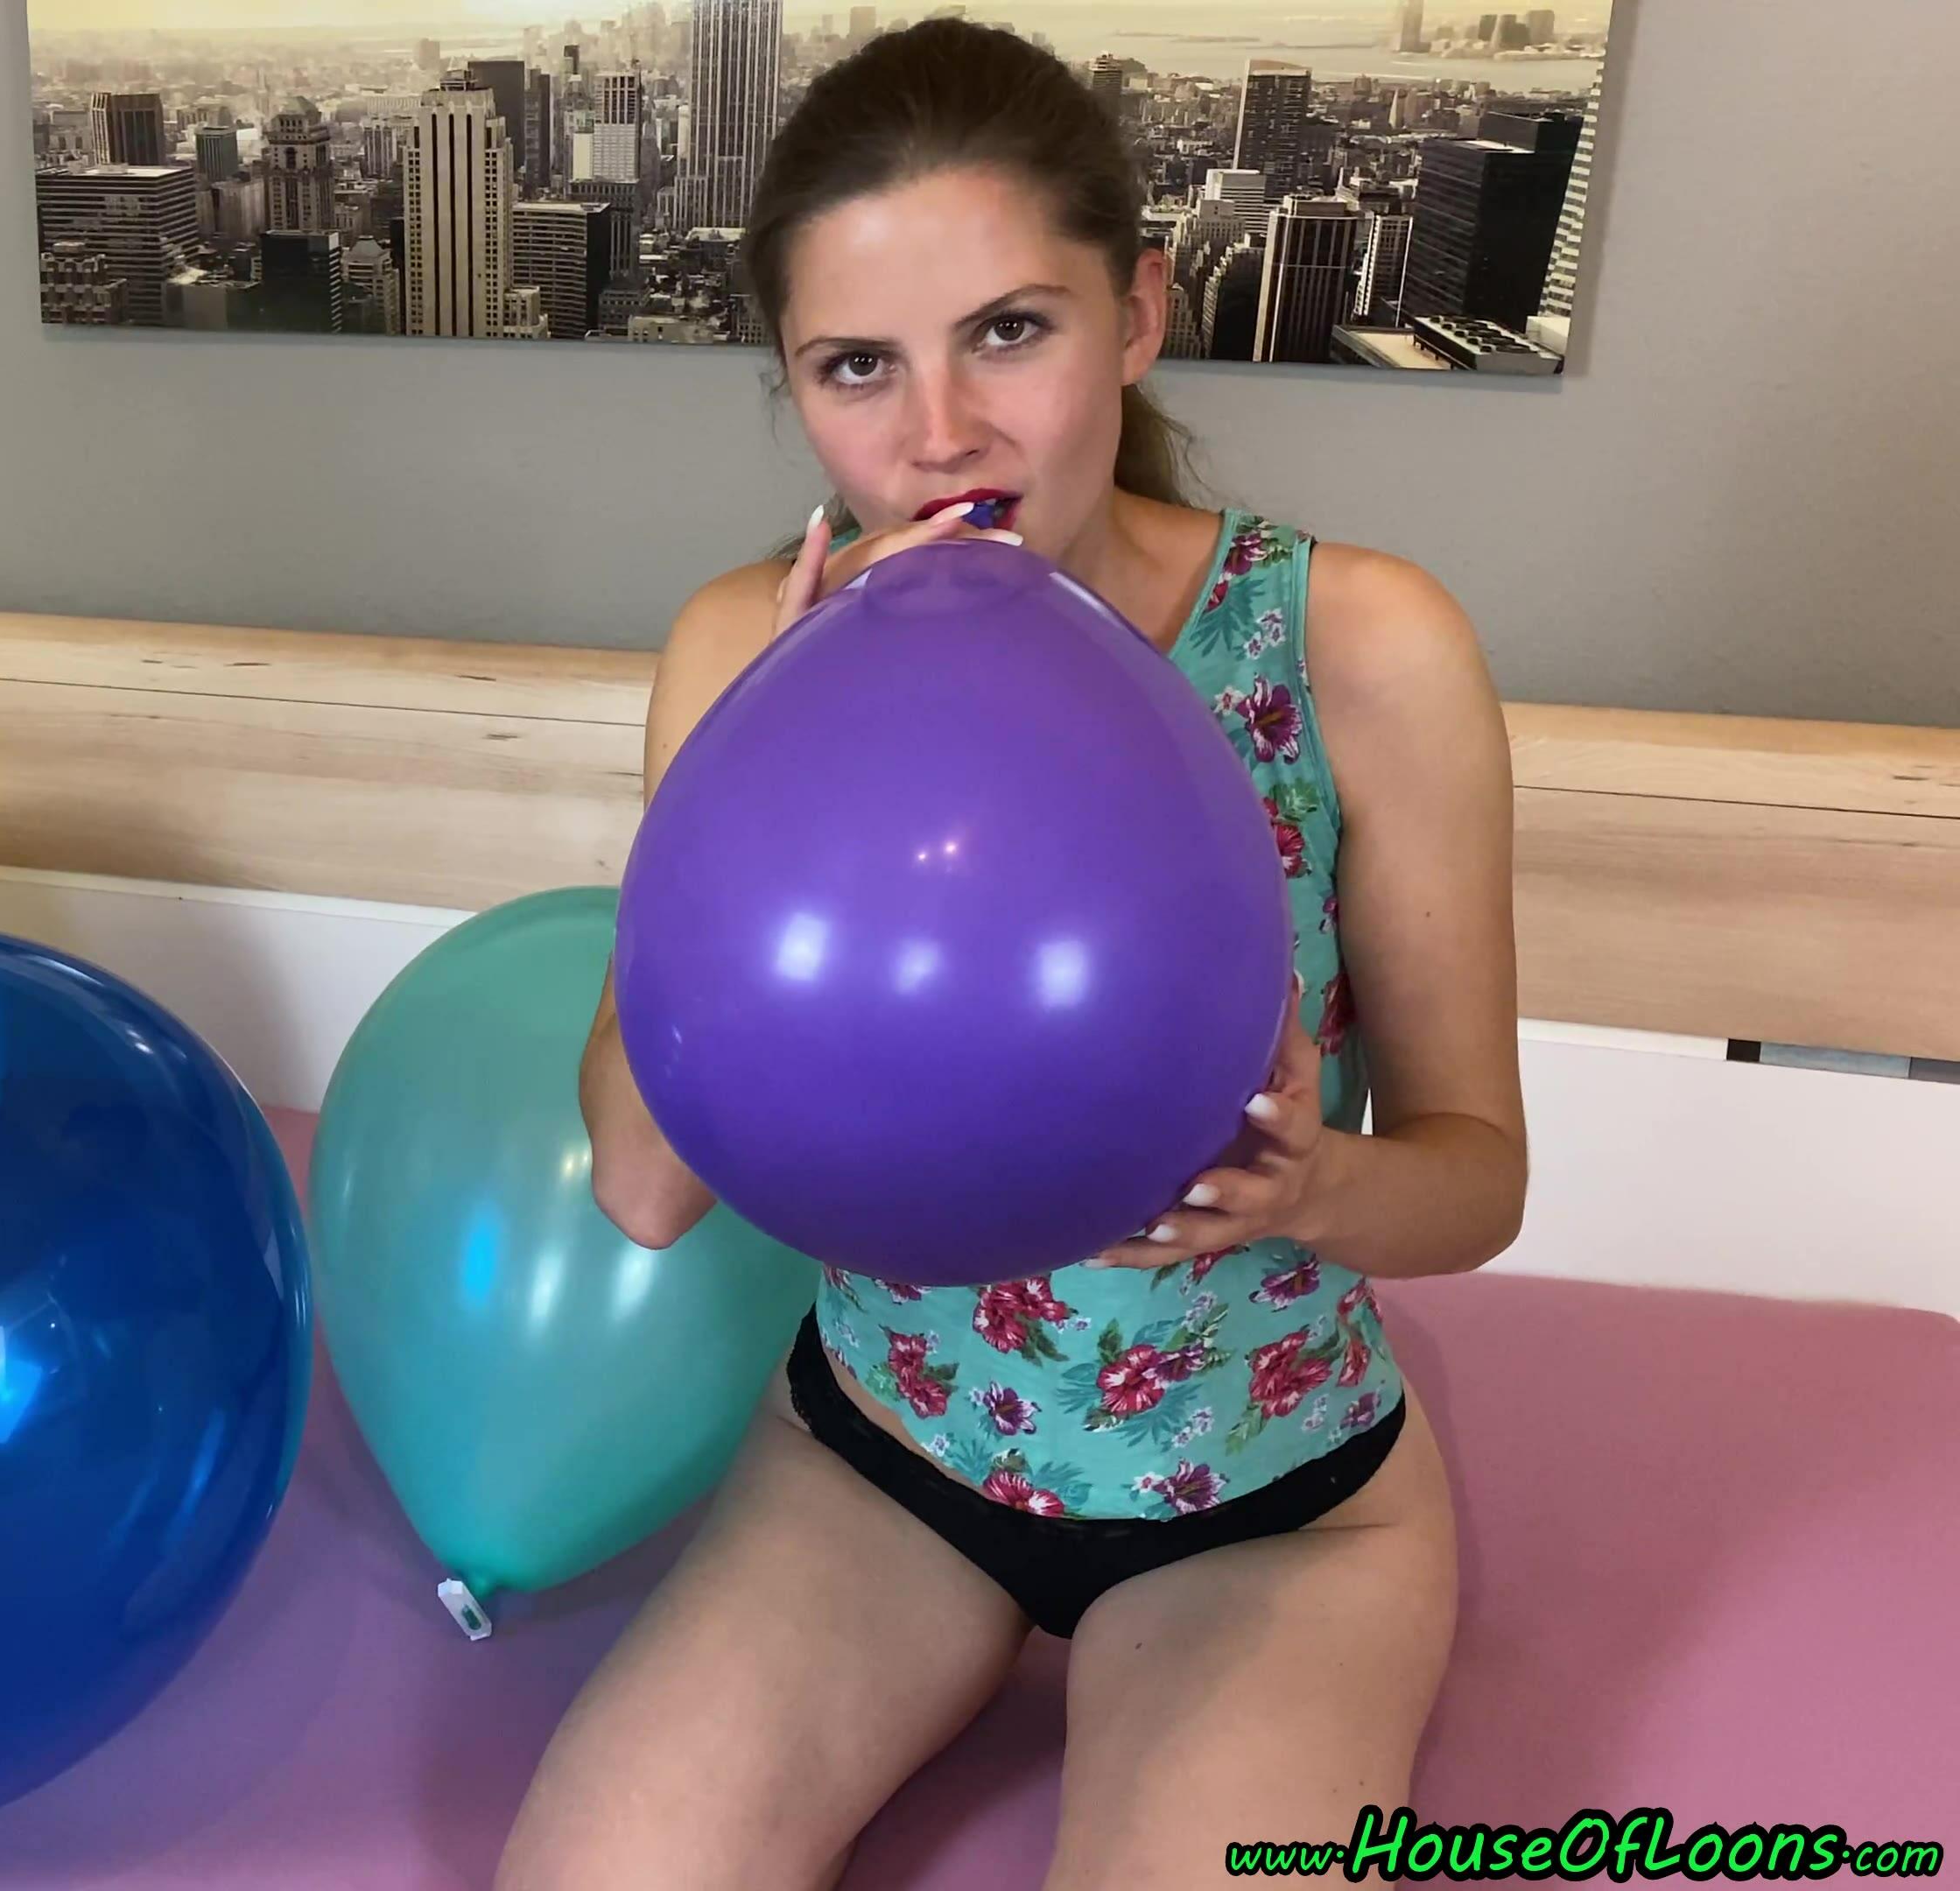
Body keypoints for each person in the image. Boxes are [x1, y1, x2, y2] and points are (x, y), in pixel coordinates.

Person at [500, 22, 1528, 1888]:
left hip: (1273, 1505)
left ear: (1136, 316)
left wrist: (1309, 1187)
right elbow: (648, 1189)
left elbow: (1479, 1184)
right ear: (795, 387)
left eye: (1009, 331)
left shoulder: (1358, 643)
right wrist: (772, 747)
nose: (939, 437)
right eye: (857, 366)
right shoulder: (741, 644)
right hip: (883, 1456)